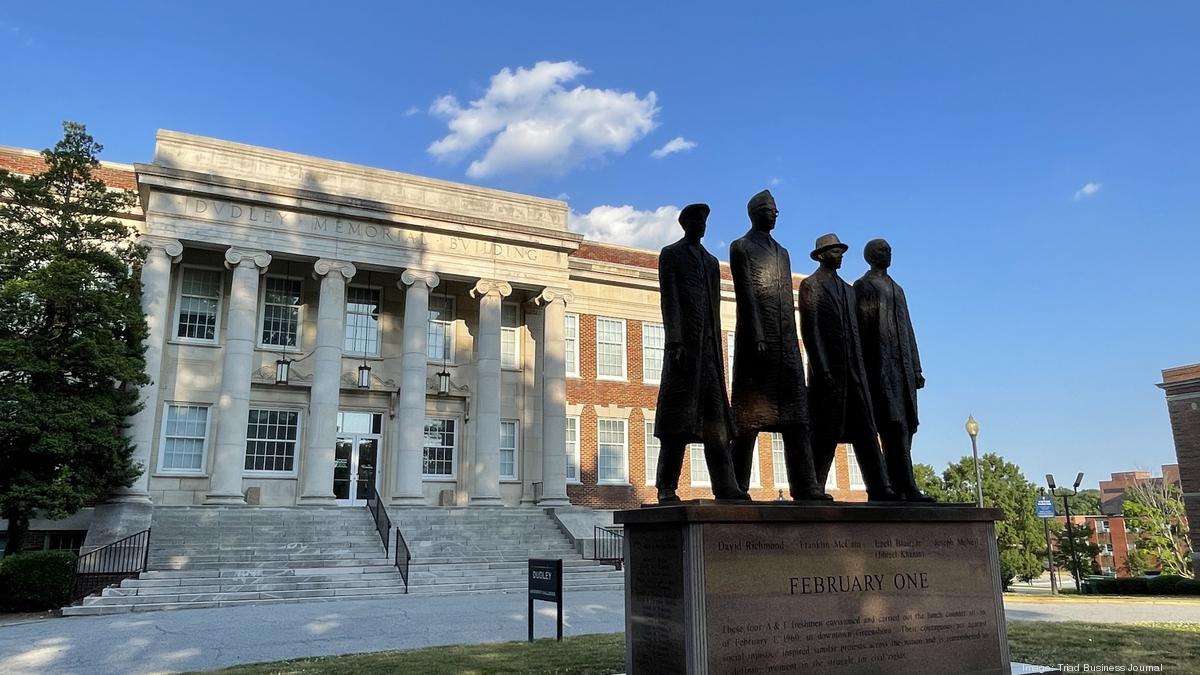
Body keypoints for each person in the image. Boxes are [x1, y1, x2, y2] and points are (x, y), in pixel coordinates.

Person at [729, 190, 828, 501]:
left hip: (786, 345)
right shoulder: (741, 247)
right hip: (757, 343)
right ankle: (737, 484)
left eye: (776, 210)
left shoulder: (782, 252)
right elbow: (746, 293)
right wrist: (756, 334)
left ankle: (806, 486)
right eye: (770, 209)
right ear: (755, 211)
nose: (775, 213)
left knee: (797, 418)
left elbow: (787, 298)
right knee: (749, 420)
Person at [653, 203, 750, 502]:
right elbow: (670, 299)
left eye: (705, 220)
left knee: (717, 424)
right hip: (684, 351)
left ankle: (725, 485)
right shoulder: (671, 254)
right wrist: (675, 341)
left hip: (709, 353)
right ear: (685, 224)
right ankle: (666, 486)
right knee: (677, 423)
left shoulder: (710, 263)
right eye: (696, 219)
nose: (702, 225)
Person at [798, 233, 900, 501]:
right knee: (825, 431)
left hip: (855, 372)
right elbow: (810, 331)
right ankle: (814, 486)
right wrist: (821, 367)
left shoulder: (849, 289)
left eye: (841, 251)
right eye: (834, 252)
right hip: (829, 373)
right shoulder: (811, 286)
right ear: (821, 255)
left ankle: (880, 486)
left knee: (866, 430)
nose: (840, 255)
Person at [854, 239, 935, 502]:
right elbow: (863, 331)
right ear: (870, 256)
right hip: (880, 367)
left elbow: (908, 329)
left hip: (903, 368)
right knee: (893, 425)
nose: (888, 254)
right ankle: (903, 487)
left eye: (889, 250)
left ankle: (897, 484)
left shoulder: (897, 289)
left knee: (908, 425)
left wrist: (916, 367)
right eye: (883, 250)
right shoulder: (863, 286)